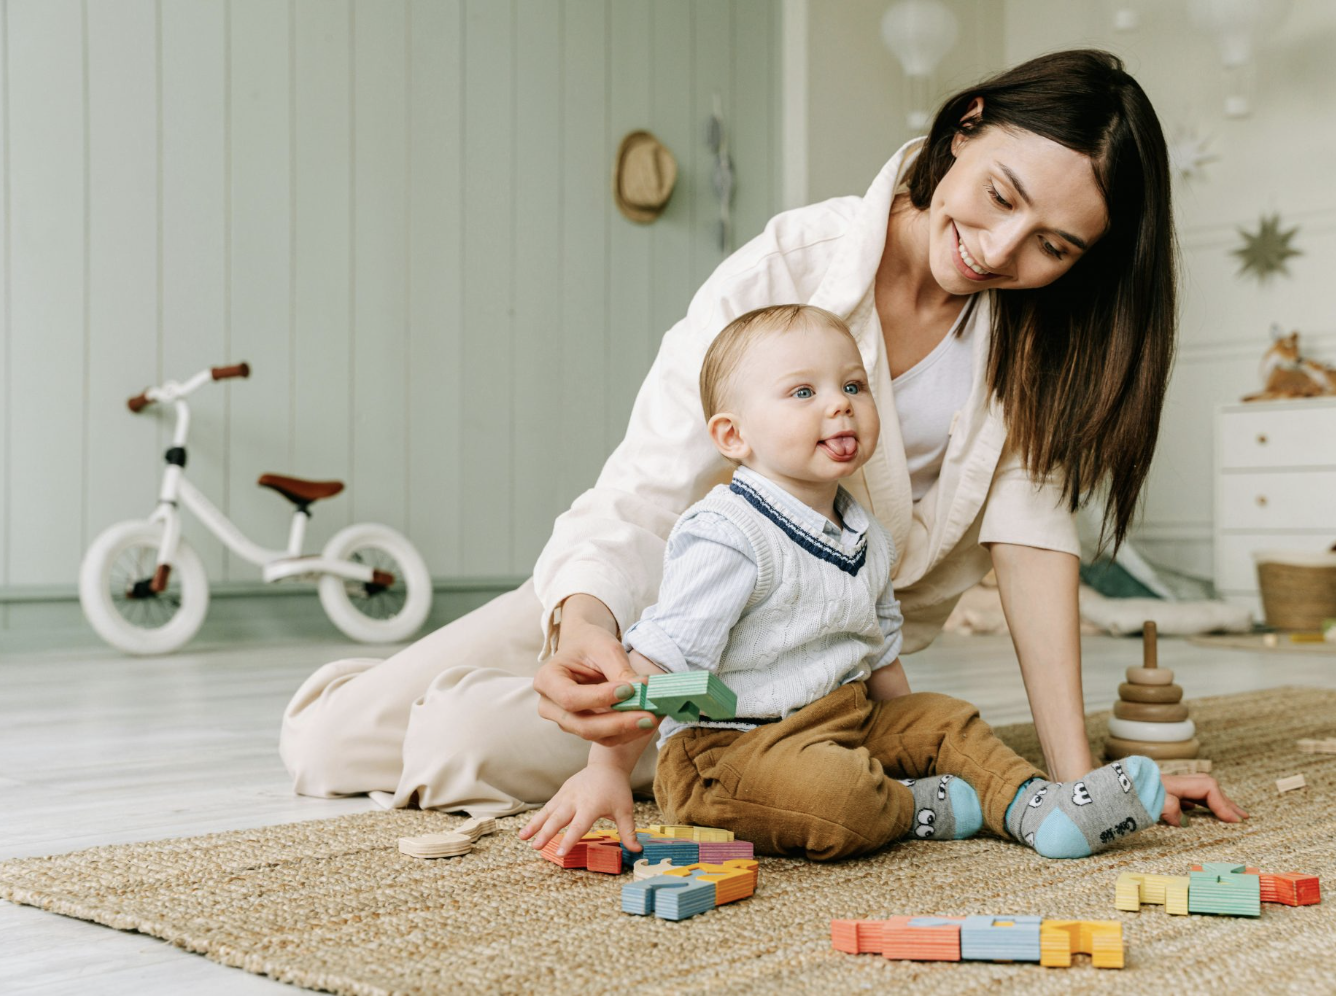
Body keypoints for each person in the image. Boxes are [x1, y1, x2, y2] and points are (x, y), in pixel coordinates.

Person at [280, 49, 1247, 826]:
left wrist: (1078, 782)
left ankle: (740, 755)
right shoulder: (793, 263)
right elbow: (646, 486)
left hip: (801, 668)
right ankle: (533, 694)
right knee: (323, 742)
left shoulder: (1039, 345)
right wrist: (582, 625)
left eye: (1053, 245)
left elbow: (1034, 550)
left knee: (456, 739)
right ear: (965, 127)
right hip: (665, 592)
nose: (1000, 250)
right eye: (1000, 195)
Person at [519, 303, 1169, 861]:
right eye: (803, 392)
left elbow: (878, 649)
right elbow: (659, 666)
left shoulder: (865, 531)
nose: (839, 404)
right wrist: (603, 769)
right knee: (838, 795)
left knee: (948, 719)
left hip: (843, 717)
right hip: (729, 752)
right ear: (732, 434)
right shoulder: (727, 533)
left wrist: (912, 737)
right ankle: (913, 806)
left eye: (854, 386)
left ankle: (1040, 808)